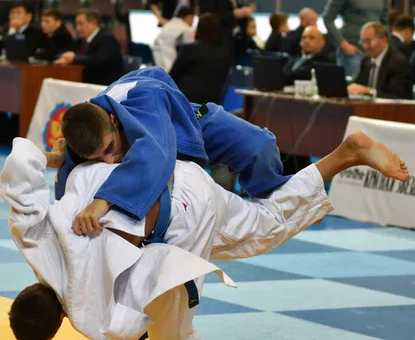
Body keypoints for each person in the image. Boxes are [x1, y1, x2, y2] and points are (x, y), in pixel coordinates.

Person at [0, 129, 409, 340]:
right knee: (261, 224)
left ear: (59, 326)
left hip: (180, 217)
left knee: (171, 331)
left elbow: (130, 322)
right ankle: (334, 167)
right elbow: (21, 168)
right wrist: (53, 156)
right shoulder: (33, 239)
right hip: (169, 173)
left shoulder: (85, 310)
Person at [57, 66, 289, 234]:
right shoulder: (89, 125)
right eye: (98, 158)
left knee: (259, 145)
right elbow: (69, 179)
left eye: (110, 148)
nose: (109, 160)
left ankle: (272, 199)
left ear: (113, 119)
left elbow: (155, 152)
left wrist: (102, 201)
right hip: (155, 132)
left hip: (187, 124)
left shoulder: (145, 99)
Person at [323, 0, 389, 79]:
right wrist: (343, 44)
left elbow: (385, 21)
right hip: (353, 50)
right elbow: (328, 18)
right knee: (352, 91)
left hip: (374, 53)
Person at [169, 13, 231, 103]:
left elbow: (172, 76)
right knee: (199, 116)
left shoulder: (190, 49)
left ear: (199, 29)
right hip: (208, 107)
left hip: (185, 104)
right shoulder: (225, 53)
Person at [55, 8, 123, 86]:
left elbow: (97, 60)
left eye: (80, 24)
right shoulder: (80, 40)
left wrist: (73, 58)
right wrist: (65, 57)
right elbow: (63, 51)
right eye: (76, 24)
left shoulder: (107, 39)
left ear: (93, 23)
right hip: (84, 81)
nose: (77, 28)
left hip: (103, 85)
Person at [347, 22, 413, 99]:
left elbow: (396, 97)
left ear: (384, 40)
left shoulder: (398, 63)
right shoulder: (366, 61)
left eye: (368, 41)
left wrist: (369, 91)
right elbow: (357, 84)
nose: (365, 46)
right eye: (363, 42)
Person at [152, 6, 195, 72]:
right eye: (192, 19)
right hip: (167, 56)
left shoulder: (170, 23)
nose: (192, 22)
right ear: (187, 17)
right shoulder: (187, 28)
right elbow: (190, 47)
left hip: (155, 54)